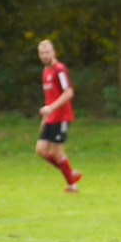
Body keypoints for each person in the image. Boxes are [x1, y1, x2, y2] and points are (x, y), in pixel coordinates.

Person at [35, 40, 81, 192]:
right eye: (42, 53)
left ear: (53, 53)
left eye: (47, 52)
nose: (45, 55)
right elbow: (49, 97)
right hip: (50, 117)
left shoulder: (59, 69)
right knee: (41, 150)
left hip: (61, 116)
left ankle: (72, 185)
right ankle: (70, 172)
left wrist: (51, 108)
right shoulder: (45, 71)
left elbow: (68, 92)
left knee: (57, 152)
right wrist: (45, 118)